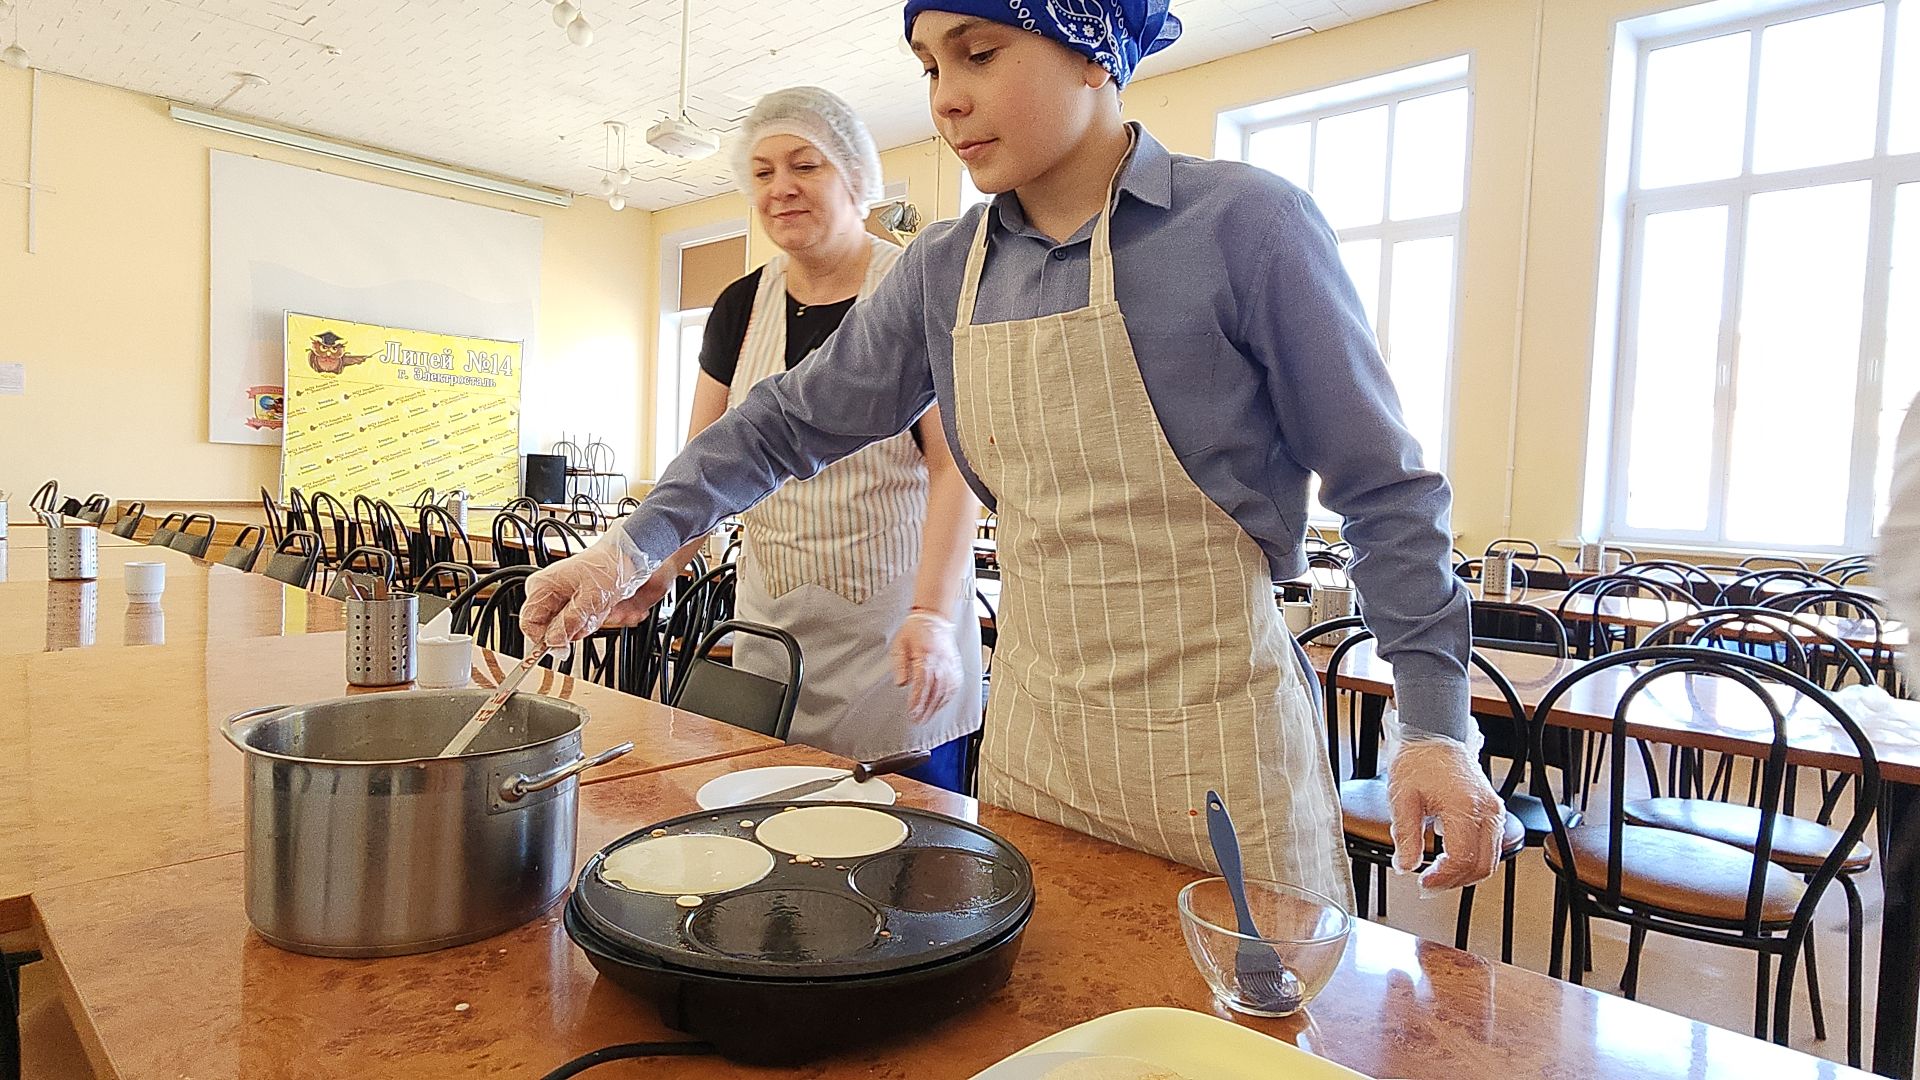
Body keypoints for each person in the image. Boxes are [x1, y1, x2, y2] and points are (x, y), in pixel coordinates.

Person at [522, 0, 1504, 900]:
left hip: (1219, 744)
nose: (947, 98)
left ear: (1091, 49)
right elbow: (782, 422)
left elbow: (1385, 488)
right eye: (929, 67)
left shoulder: (1244, 227)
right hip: (1039, 742)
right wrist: (631, 546)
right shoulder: (945, 269)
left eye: (980, 54)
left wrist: (1431, 724)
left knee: (1235, 1009)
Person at [632, 87, 983, 788]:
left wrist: (932, 614)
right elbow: (707, 467)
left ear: (854, 175)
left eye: (805, 165)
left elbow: (954, 468)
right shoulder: (739, 306)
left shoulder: (912, 292)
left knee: (902, 839)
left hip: (897, 643)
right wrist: (655, 568)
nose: (781, 188)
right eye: (763, 172)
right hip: (773, 641)